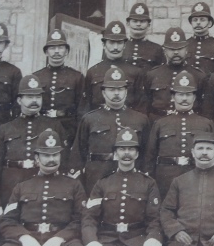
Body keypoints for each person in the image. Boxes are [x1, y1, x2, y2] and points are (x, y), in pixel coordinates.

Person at [69, 66, 149, 195]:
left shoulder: (140, 120)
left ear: (126, 92)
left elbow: (146, 155)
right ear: (103, 92)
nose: (116, 93)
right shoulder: (90, 119)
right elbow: (78, 155)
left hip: (130, 178)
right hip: (97, 176)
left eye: (120, 89)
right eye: (111, 89)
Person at [0, 74, 59, 217]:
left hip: (43, 185)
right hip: (11, 185)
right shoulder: (5, 129)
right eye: (29, 97)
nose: (34, 101)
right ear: (19, 100)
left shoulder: (54, 126)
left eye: (38, 97)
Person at [144, 71, 214, 198]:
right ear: (173, 97)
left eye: (188, 94)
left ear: (194, 97)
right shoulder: (160, 124)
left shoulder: (206, 124)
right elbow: (150, 157)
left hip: (195, 178)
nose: (184, 99)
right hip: (165, 179)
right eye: (180, 94)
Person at [140, 27, 206, 120]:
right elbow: (146, 105)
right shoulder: (152, 75)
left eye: (180, 48)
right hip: (158, 122)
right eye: (171, 49)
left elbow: (203, 107)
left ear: (186, 49)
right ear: (164, 50)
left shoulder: (198, 76)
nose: (176, 52)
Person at [32, 28, 84, 145]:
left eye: (60, 47)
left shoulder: (76, 77)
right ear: (46, 52)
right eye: (52, 48)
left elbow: (81, 110)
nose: (57, 52)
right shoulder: (37, 77)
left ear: (66, 51)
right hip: (41, 127)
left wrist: (76, 135)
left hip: (67, 128)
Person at [82, 20, 144, 114]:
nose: (115, 47)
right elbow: (87, 104)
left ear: (124, 45)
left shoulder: (135, 72)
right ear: (103, 44)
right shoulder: (93, 72)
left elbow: (140, 105)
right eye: (111, 42)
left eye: (119, 43)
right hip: (98, 122)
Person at [185, 2, 214, 75]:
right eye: (195, 20)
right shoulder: (184, 45)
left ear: (210, 23)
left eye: (202, 20)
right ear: (191, 23)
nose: (198, 23)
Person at [123, 2, 165, 71]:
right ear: (128, 24)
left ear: (148, 25)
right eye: (135, 21)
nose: (138, 24)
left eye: (142, 21)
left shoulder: (157, 49)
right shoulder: (120, 46)